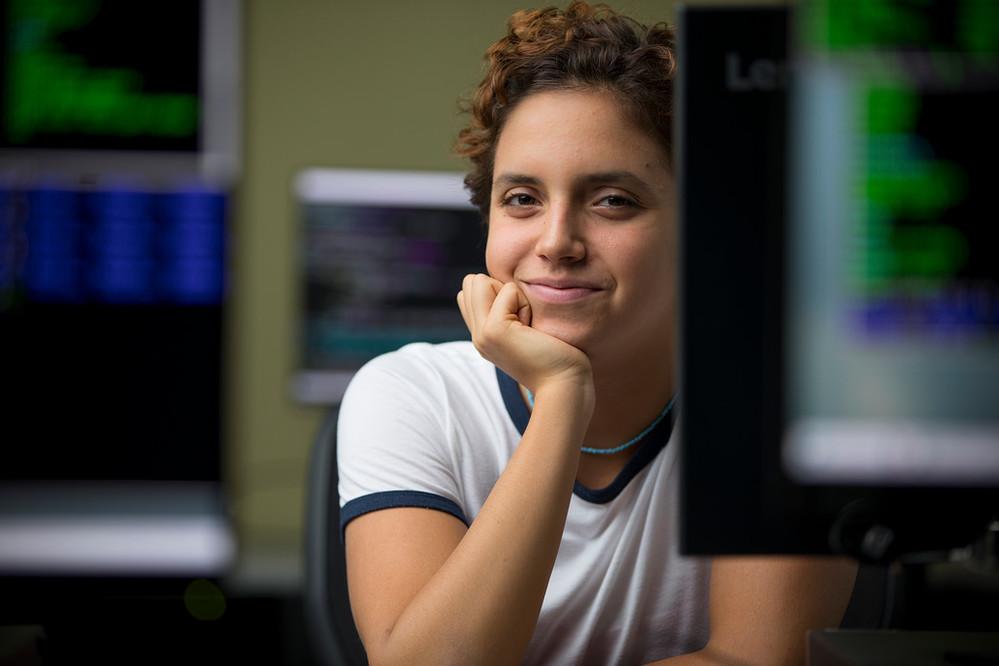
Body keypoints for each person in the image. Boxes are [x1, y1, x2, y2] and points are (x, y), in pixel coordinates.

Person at [336, 2, 857, 664]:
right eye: (521, 198)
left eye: (612, 200)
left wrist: (558, 388)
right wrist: (560, 399)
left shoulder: (776, 411)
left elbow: (755, 660)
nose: (556, 243)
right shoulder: (410, 394)